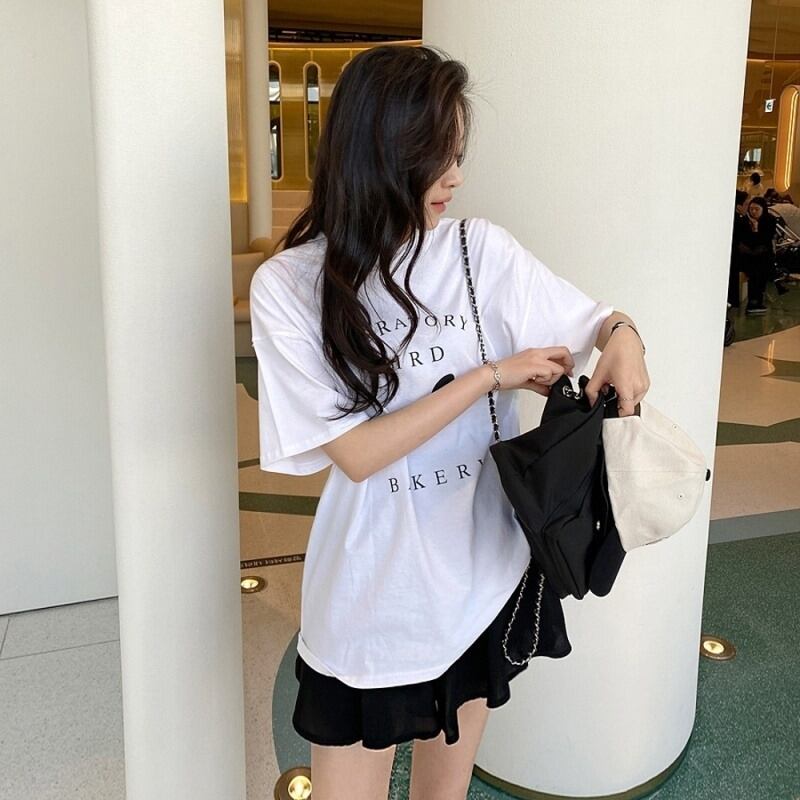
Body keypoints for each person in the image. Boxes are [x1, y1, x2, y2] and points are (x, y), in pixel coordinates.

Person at [249, 45, 650, 800]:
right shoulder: (292, 285)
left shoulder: (477, 250)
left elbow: (596, 320)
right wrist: (490, 376)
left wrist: (624, 334)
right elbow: (358, 454)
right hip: (374, 597)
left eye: (458, 154)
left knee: (445, 794)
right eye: (437, 155)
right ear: (379, 152)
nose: (455, 176)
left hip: (480, 577)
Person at [733, 195, 777, 314]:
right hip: (747, 255)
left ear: (763, 209)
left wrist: (756, 229)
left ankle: (757, 300)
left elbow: (765, 241)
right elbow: (744, 241)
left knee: (762, 263)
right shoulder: (744, 221)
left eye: (756, 209)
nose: (753, 211)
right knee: (756, 267)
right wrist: (753, 231)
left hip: (762, 253)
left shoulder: (770, 220)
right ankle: (753, 302)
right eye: (751, 209)